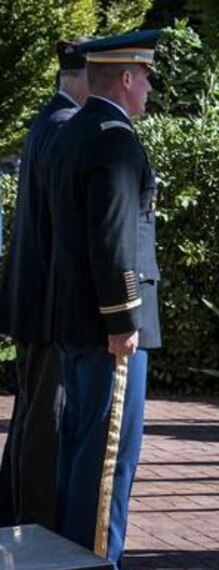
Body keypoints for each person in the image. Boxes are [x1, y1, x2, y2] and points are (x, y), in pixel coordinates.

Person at [43, 29, 162, 570]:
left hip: (70, 316)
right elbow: (113, 240)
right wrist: (123, 320)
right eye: (147, 77)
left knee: (79, 445)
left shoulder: (72, 133)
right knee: (108, 457)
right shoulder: (115, 139)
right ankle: (98, 569)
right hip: (105, 324)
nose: (149, 89)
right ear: (127, 77)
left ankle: (69, 562)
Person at [0, 38, 90, 529]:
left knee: (33, 409)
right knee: (44, 419)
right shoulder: (63, 126)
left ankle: (14, 511)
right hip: (47, 299)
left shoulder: (48, 120)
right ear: (78, 77)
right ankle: (35, 524)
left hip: (32, 294)